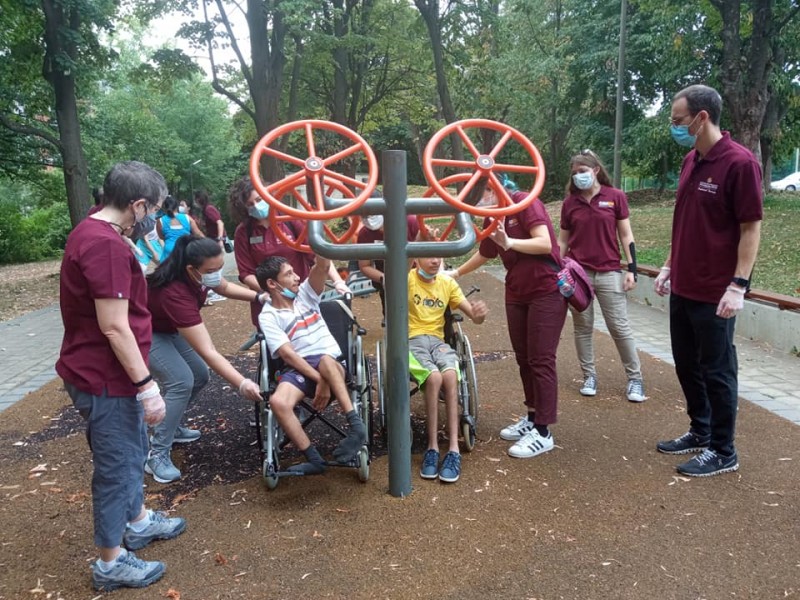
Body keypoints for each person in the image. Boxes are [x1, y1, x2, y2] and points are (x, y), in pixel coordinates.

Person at [56, 161, 185, 592]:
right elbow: (113, 325)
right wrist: (147, 386)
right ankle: (110, 562)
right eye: (155, 209)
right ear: (138, 205)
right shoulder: (105, 246)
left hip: (100, 370)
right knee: (119, 464)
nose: (155, 217)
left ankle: (138, 521)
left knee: (131, 452)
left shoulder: (92, 231)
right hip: (106, 376)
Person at [654, 84, 762, 477]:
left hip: (716, 291)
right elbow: (687, 221)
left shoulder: (739, 163)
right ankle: (700, 430)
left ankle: (723, 450)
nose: (674, 126)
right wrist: (668, 264)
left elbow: (751, 228)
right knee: (686, 364)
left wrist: (739, 285)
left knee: (718, 370)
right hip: (684, 284)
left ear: (702, 118)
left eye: (678, 121)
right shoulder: (690, 160)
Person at [450, 187, 567, 459]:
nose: (478, 203)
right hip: (516, 291)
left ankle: (543, 431)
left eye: (479, 196)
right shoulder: (490, 215)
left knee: (541, 359)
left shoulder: (524, 203)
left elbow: (544, 244)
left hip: (545, 290)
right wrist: (455, 272)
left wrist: (510, 242)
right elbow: (486, 252)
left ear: (490, 188)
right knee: (524, 358)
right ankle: (532, 416)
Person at [145, 236, 264, 483]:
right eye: (211, 270)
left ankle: (171, 426)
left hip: (167, 328)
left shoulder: (197, 274)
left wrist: (259, 297)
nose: (216, 274)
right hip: (145, 332)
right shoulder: (174, 292)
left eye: (220, 267)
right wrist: (241, 383)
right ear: (191, 269)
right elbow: (208, 351)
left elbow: (223, 287)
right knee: (181, 381)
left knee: (199, 375)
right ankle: (156, 454)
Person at [255, 254, 367, 474]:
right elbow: (288, 356)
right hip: (300, 369)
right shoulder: (268, 316)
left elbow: (323, 264)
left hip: (332, 365)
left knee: (326, 360)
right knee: (278, 401)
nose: (297, 277)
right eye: (289, 274)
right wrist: (320, 382)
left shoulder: (306, 294)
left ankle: (356, 427)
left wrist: (317, 231)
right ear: (272, 284)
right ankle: (314, 460)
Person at [558, 150, 645, 402]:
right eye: (574, 173)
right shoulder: (569, 203)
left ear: (595, 170)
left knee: (619, 327)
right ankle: (589, 376)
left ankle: (635, 379)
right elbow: (562, 241)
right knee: (582, 327)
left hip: (609, 272)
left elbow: (626, 235)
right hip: (578, 273)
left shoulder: (615, 197)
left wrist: (632, 269)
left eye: (583, 172)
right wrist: (555, 270)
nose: (578, 177)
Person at [228, 176, 349, 326]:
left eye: (259, 200)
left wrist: (338, 281)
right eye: (250, 204)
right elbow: (246, 273)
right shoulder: (244, 232)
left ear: (267, 195)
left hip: (301, 296)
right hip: (270, 300)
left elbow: (318, 253)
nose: (256, 206)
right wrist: (274, 292)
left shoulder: (290, 219)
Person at [410, 257, 488, 483]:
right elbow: (402, 261)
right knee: (433, 377)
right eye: (428, 254)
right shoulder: (407, 279)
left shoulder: (447, 283)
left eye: (439, 255)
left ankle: (453, 449)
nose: (435, 260)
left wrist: (479, 313)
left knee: (451, 374)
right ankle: (432, 447)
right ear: (416, 259)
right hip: (411, 341)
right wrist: (417, 240)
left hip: (437, 341)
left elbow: (475, 317)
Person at [357, 212, 420, 319]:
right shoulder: (365, 234)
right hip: (388, 279)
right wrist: (384, 279)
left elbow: (429, 248)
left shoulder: (410, 221)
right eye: (365, 216)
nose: (369, 219)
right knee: (393, 317)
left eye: (372, 214)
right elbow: (364, 266)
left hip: (417, 275)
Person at [157, 195, 204, 259]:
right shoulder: (187, 218)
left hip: (168, 253)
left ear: (165, 207)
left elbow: (161, 236)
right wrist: (209, 243)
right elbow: (198, 233)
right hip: (185, 251)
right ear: (177, 206)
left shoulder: (161, 221)